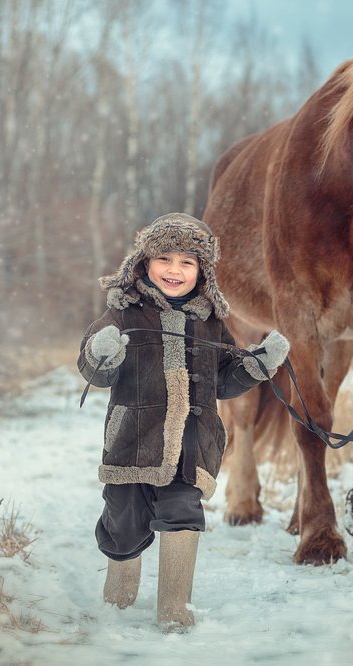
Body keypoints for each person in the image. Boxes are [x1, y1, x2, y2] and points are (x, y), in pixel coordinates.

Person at [77, 212, 289, 631]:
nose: (175, 270)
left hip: (192, 444)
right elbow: (97, 372)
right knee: (124, 524)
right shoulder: (125, 313)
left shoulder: (210, 319)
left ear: (202, 271)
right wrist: (101, 354)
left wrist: (258, 365)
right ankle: (118, 600)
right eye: (165, 259)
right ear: (144, 263)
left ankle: (174, 610)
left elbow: (225, 378)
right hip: (133, 443)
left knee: (183, 514)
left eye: (187, 262)